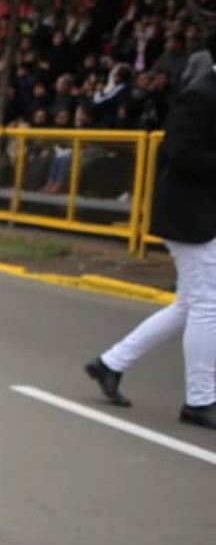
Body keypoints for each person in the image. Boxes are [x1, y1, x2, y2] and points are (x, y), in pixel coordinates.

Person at [85, 50, 216, 428]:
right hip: (191, 217)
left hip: (201, 216)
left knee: (190, 306)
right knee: (207, 306)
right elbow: (180, 153)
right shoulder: (202, 93)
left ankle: (110, 364)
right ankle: (199, 401)